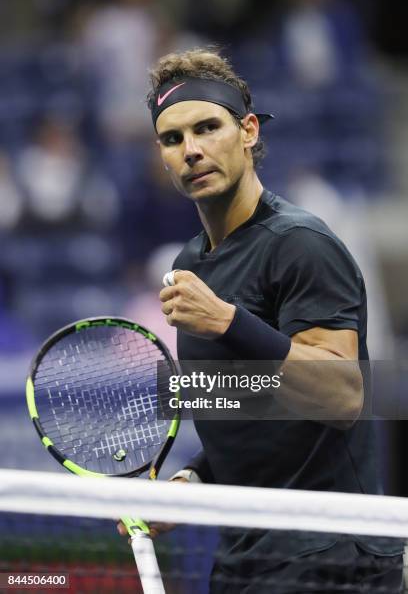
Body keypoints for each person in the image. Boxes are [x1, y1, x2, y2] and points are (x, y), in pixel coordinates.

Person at [119, 48, 404, 593]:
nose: (192, 151)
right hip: (245, 561)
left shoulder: (302, 244)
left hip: (332, 557)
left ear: (248, 131)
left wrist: (229, 321)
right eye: (173, 139)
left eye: (208, 128)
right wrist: (194, 477)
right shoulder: (189, 266)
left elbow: (343, 397)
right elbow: (248, 413)